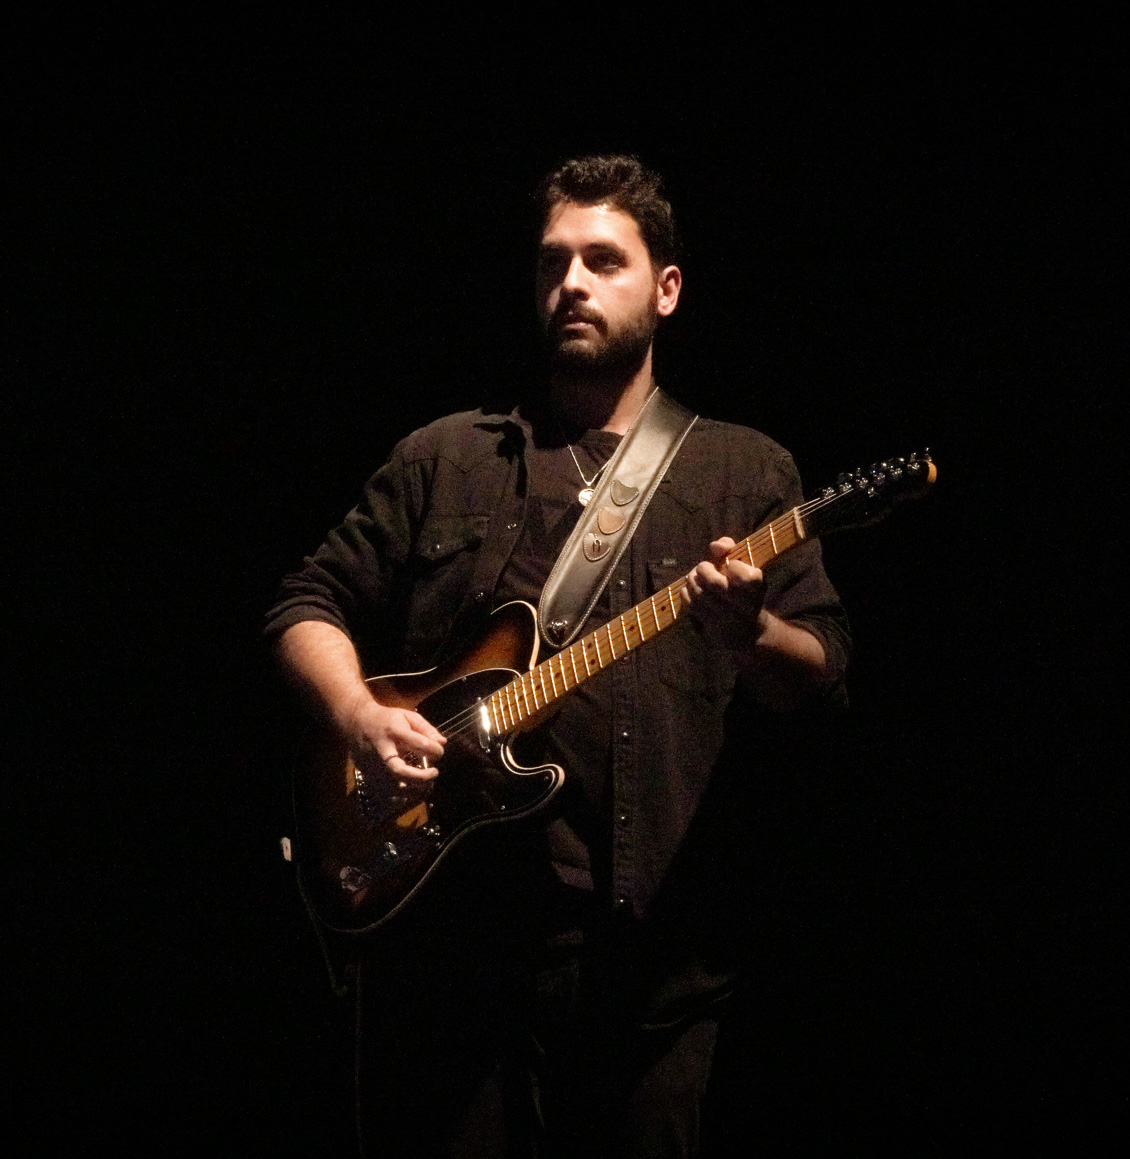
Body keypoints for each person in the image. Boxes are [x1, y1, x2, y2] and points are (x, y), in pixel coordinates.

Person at [266, 155, 850, 1157]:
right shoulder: (446, 456)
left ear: (666, 289)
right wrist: (357, 714)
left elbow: (823, 672)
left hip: (656, 973)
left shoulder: (743, 470)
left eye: (603, 260)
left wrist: (748, 632)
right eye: (552, 262)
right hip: (455, 955)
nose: (571, 282)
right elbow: (303, 601)